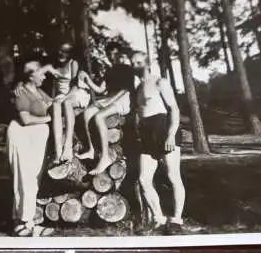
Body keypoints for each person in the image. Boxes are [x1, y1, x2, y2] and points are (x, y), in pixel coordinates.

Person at [130, 50, 186, 234]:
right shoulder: (138, 88)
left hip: (163, 129)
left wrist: (171, 134)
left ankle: (176, 221)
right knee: (144, 179)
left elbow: (174, 109)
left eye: (138, 62)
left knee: (173, 176)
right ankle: (159, 219)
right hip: (147, 133)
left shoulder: (159, 82)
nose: (135, 66)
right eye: (133, 63)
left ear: (147, 64)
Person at [6, 60, 54, 237]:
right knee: (24, 179)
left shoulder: (38, 91)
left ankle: (24, 223)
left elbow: (53, 103)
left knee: (32, 180)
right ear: (30, 76)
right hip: (22, 136)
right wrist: (47, 119)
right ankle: (26, 223)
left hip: (35, 139)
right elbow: (26, 120)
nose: (43, 76)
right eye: (40, 73)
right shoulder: (22, 93)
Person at [76, 42, 136, 175]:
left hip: (123, 100)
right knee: (87, 113)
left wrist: (109, 101)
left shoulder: (127, 69)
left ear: (120, 54)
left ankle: (105, 158)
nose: (111, 56)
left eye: (115, 53)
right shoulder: (109, 71)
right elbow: (101, 89)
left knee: (98, 117)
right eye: (109, 54)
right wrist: (87, 79)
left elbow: (125, 89)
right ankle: (91, 150)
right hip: (109, 99)